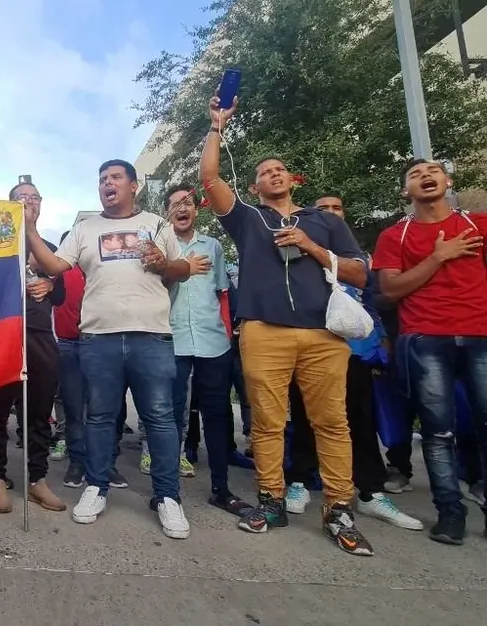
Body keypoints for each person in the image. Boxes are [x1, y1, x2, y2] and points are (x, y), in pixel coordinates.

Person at [199, 91, 374, 556]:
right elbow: (210, 176)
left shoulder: (323, 221)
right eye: (263, 173)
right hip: (264, 331)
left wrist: (314, 248)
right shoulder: (247, 219)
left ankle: (338, 510)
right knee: (268, 423)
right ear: (255, 188)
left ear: (291, 179)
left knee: (331, 423)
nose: (273, 174)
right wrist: (218, 125)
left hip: (323, 334)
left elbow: (359, 271)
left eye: (279, 169)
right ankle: (271, 501)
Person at [26, 159, 192, 539]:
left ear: (134, 186)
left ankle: (168, 497)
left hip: (151, 335)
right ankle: (96, 487)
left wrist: (165, 262)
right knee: (99, 416)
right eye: (102, 179)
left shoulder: (157, 223)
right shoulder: (85, 229)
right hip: (98, 338)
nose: (107, 183)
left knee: (161, 418)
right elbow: (53, 264)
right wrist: (32, 227)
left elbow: (181, 270)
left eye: (115, 177)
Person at [372, 158, 487, 545]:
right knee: (439, 431)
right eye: (415, 175)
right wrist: (439, 256)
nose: (425, 177)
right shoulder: (395, 236)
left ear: (447, 180)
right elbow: (389, 291)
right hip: (425, 337)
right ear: (406, 191)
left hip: (480, 334)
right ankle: (450, 513)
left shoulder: (476, 225)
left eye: (433, 172)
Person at [311, 195, 422, 531]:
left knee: (360, 421)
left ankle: (370, 493)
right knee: (307, 420)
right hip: (312, 347)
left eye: (337, 208)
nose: (331, 214)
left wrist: (382, 342)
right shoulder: (298, 247)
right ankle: (300, 483)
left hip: (357, 352)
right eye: (323, 210)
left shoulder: (358, 257)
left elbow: (372, 300)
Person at [163, 183, 251, 518]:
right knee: (170, 415)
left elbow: (221, 293)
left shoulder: (212, 246)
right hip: (172, 339)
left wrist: (230, 334)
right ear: (167, 211)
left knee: (217, 413)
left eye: (187, 202)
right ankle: (167, 490)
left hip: (213, 342)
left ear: (196, 208)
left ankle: (221, 488)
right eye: (174, 204)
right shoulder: (160, 246)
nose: (181, 208)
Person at [0, 180, 66, 514]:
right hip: (4, 335)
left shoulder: (46, 247)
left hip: (41, 335)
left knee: (39, 411)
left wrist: (47, 280)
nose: (29, 202)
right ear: (10, 204)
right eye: (21, 198)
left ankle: (38, 479)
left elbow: (60, 295)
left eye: (34, 197)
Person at [53, 230, 88, 488]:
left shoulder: (96, 269)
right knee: (73, 408)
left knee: (103, 409)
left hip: (97, 343)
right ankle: (77, 462)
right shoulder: (56, 272)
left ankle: (104, 465)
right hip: (65, 345)